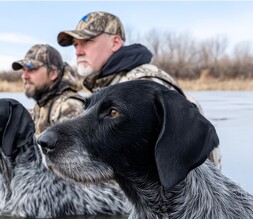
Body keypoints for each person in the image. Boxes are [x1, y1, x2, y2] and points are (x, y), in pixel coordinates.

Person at [57, 11, 221, 169]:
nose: (78, 51)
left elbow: (165, 172)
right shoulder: (110, 86)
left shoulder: (145, 86)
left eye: (87, 41)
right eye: (76, 44)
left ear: (115, 43)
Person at [12, 44, 84, 134]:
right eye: (24, 70)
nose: (24, 76)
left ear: (53, 74)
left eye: (31, 69)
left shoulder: (70, 107)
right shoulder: (42, 103)